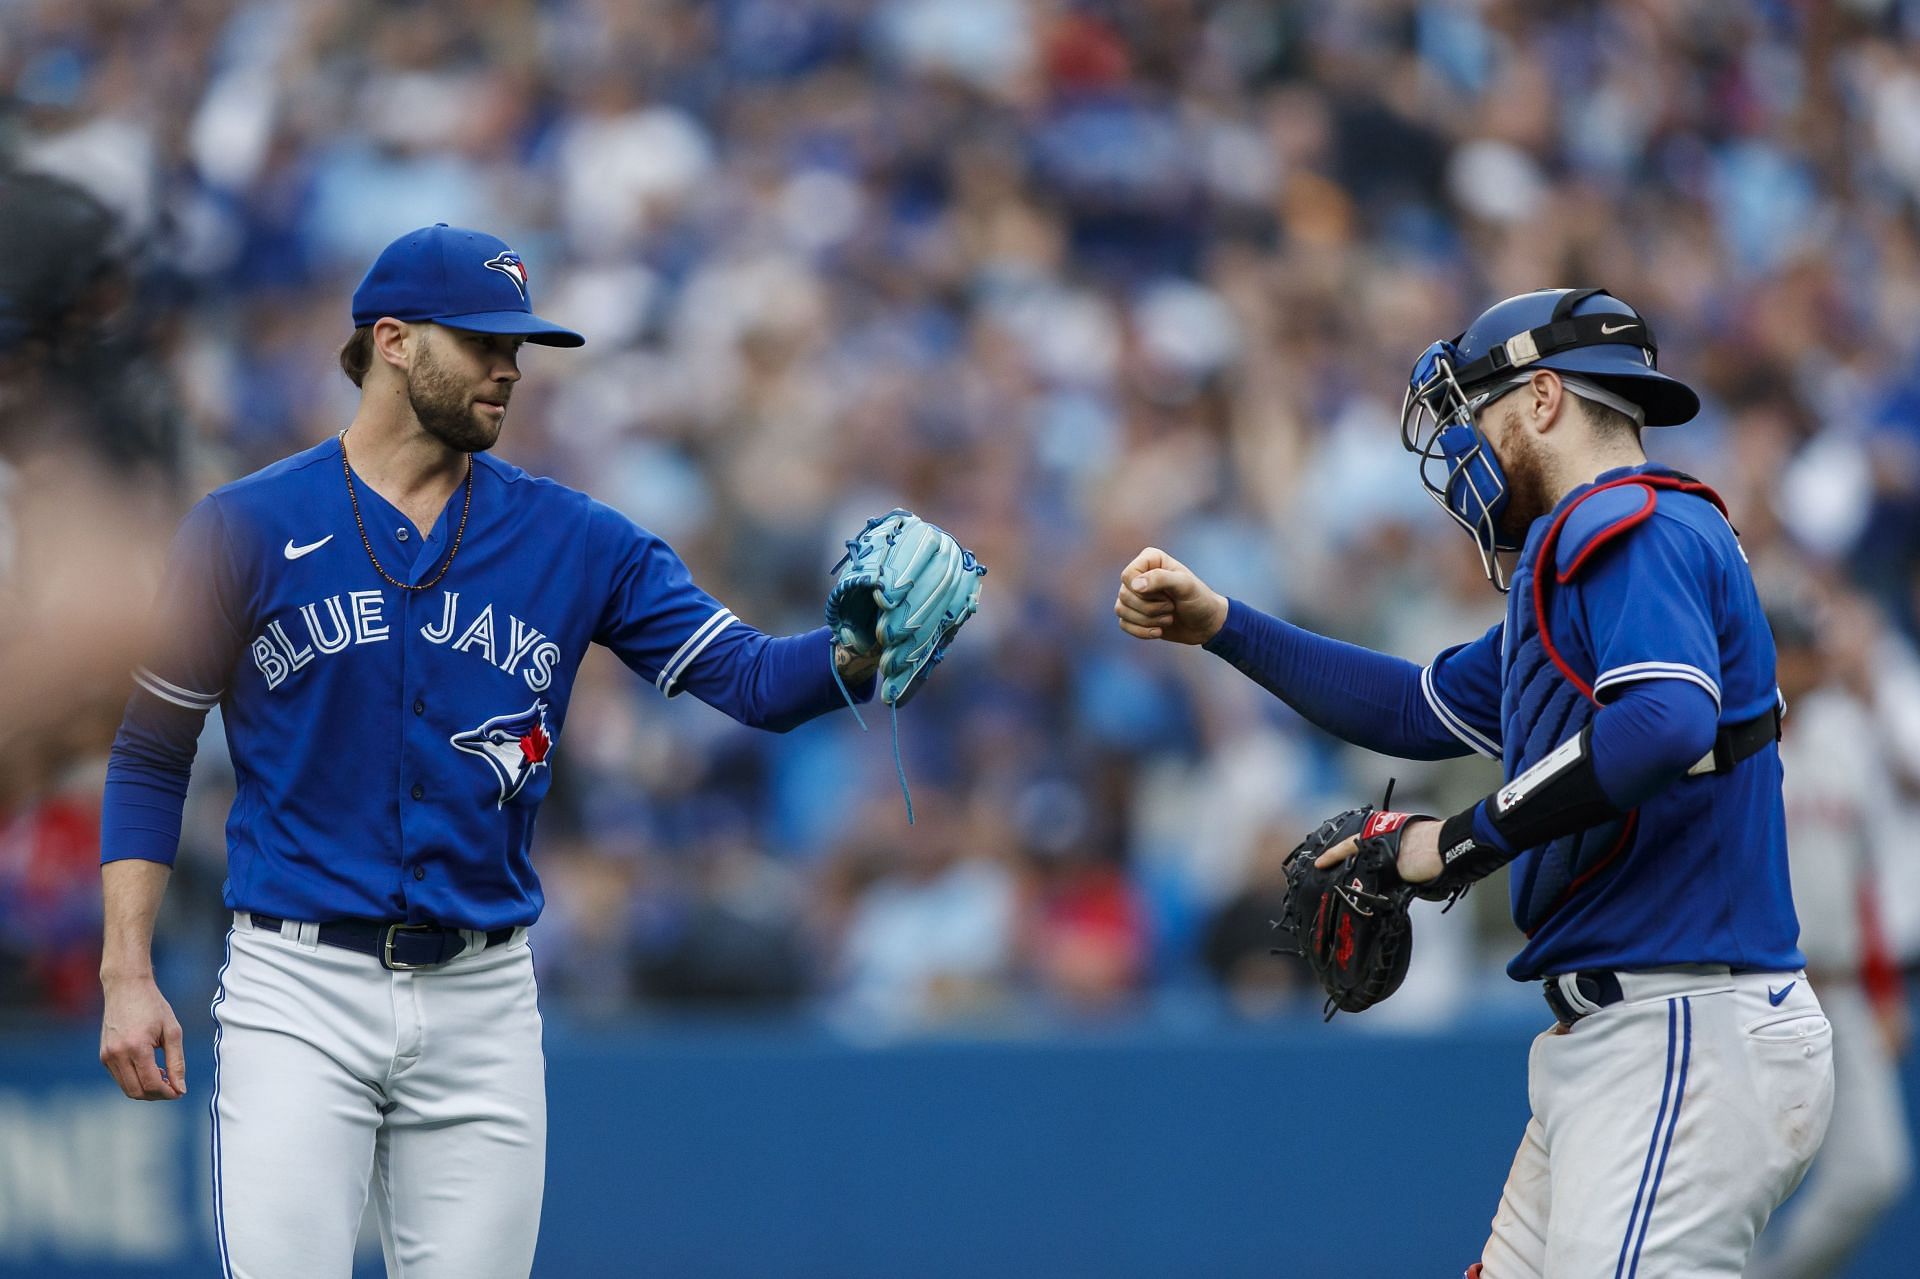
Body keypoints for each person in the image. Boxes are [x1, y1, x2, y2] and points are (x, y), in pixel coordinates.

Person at [93, 224, 934, 1277]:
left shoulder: (577, 538)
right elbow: (150, 753)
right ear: (392, 341)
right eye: (483, 340)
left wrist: (861, 651)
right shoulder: (244, 526)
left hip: (481, 998)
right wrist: (127, 967)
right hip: (295, 988)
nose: (510, 367)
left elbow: (755, 682)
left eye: (520, 345)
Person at [1115, 289, 1834, 1277]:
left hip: (1685, 1028)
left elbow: (1664, 724)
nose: (1464, 450)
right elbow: (1413, 708)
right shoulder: (1584, 557)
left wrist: (1447, 846)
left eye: (1476, 412)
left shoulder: (1635, 526)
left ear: (1542, 399)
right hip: (1633, 1033)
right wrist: (1223, 624)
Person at [1747, 596, 1911, 1278]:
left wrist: (1883, 989)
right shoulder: (1734, 743)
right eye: (1800, 650)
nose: (1815, 663)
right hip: (1761, 994)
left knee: (1876, 1171)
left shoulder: (1845, 734)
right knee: (1745, 1182)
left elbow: (1864, 881)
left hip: (1841, 986)